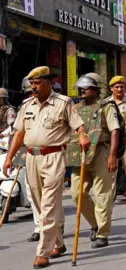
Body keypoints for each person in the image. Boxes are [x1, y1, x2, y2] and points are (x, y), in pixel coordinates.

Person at [3, 66, 90, 269]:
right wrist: (9, 158)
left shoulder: (63, 103)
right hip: (31, 158)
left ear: (49, 83)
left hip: (53, 157)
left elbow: (78, 125)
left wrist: (83, 135)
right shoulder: (26, 105)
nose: (33, 87)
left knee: (49, 205)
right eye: (31, 84)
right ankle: (58, 244)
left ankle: (42, 253)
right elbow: (19, 134)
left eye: (38, 83)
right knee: (40, 204)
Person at [67, 73, 120, 248]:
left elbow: (114, 131)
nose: (83, 90)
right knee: (77, 194)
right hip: (81, 154)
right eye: (81, 87)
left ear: (97, 89)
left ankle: (102, 234)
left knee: (102, 194)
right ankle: (95, 224)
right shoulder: (75, 108)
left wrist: (112, 155)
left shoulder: (107, 106)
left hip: (102, 152)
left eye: (87, 87)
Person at [105, 75, 126, 218]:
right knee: (109, 175)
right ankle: (107, 206)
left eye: (122, 86)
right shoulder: (105, 103)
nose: (119, 89)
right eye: (116, 87)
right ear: (111, 88)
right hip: (112, 143)